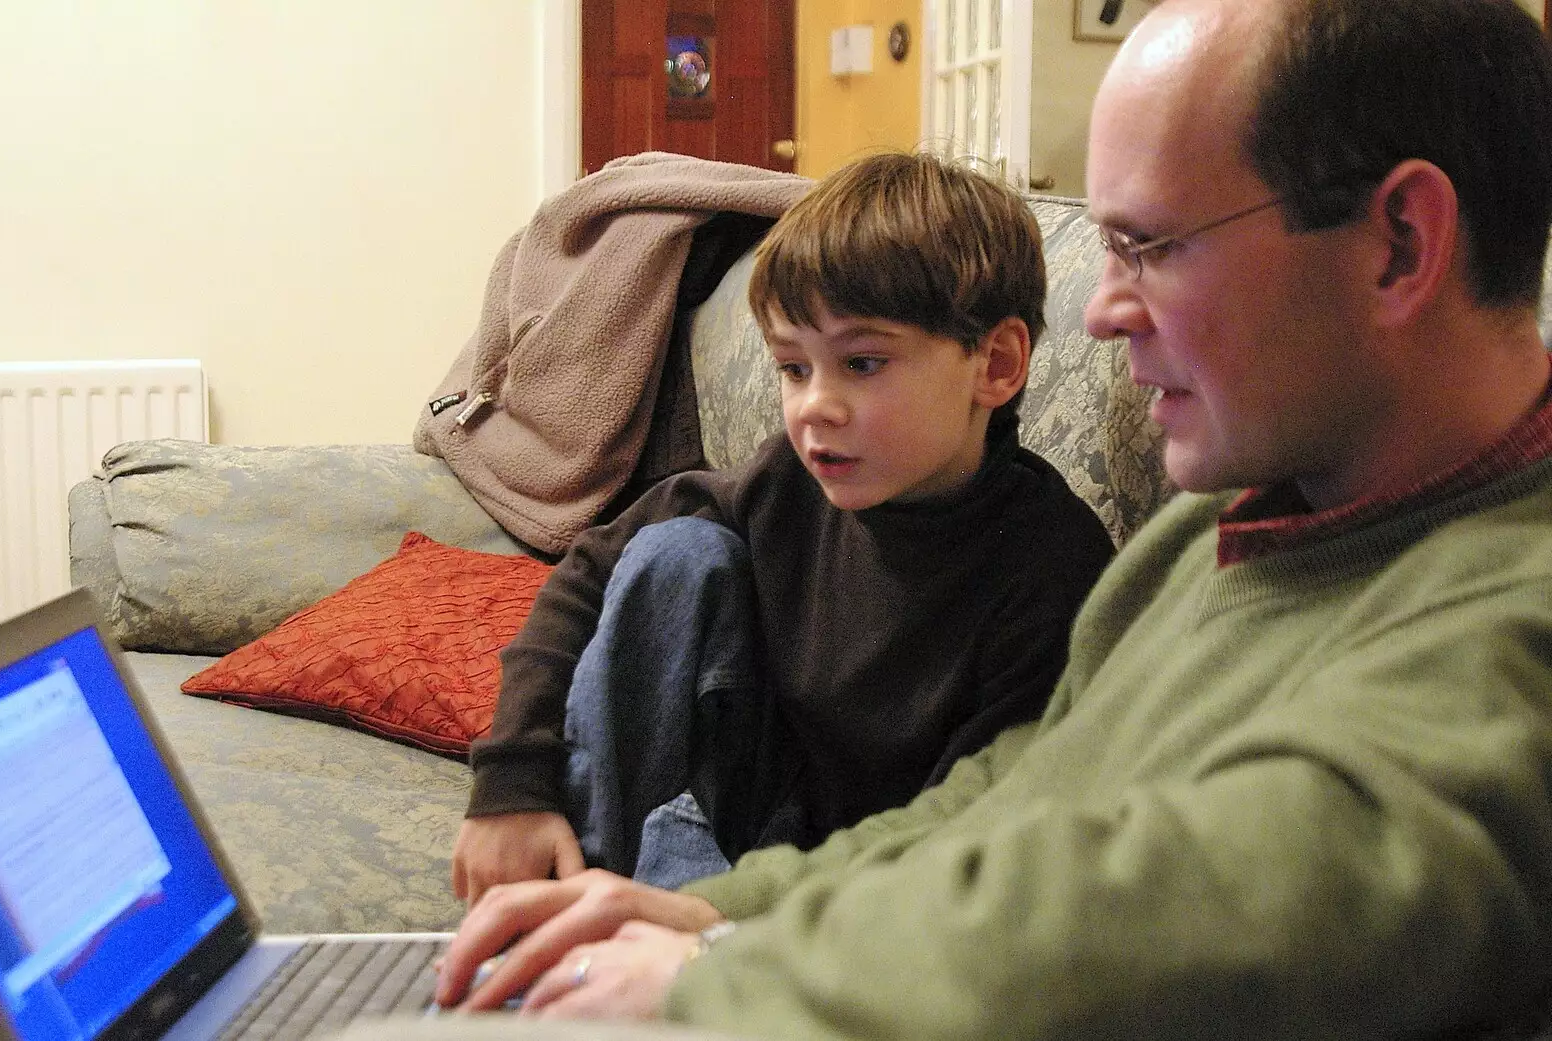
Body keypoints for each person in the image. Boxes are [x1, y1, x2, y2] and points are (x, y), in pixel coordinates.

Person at [409, 0, 1552, 1036]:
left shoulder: (1508, 623)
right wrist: (703, 913)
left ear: (1398, 243)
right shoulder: (1212, 529)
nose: (1101, 314)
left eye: (1148, 247)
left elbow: (1223, 902)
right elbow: (1017, 793)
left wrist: (721, 980)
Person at [451, 150, 1116, 901]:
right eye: (793, 367)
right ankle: (583, 903)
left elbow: (967, 846)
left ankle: (638, 933)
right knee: (677, 554)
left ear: (995, 364)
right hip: (732, 823)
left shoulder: (1051, 573)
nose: (812, 407)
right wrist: (512, 783)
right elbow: (588, 571)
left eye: (862, 363)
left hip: (853, 900)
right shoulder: (790, 480)